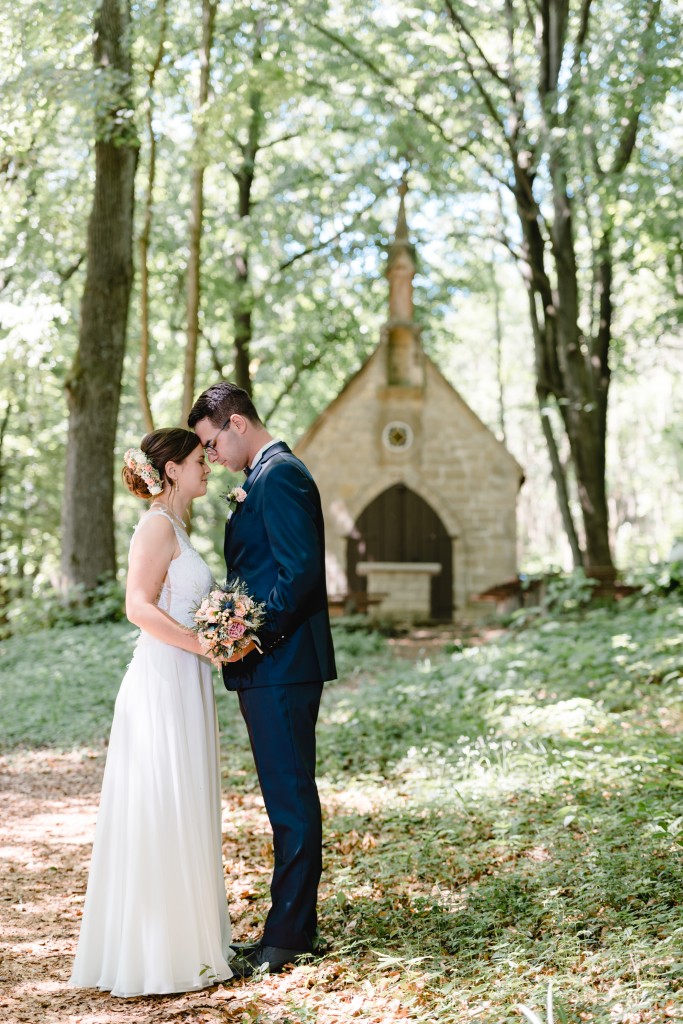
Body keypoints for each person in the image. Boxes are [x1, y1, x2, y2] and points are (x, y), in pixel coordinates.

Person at [70, 429, 234, 997]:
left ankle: (186, 937)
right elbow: (137, 607)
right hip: (162, 678)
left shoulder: (180, 527)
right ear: (170, 472)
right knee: (163, 799)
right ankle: (156, 949)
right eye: (197, 460)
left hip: (184, 677)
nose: (206, 467)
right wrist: (203, 645)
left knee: (184, 798)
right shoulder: (156, 526)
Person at [188, 382, 336, 977]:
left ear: (238, 424)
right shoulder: (265, 475)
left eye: (211, 442)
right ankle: (285, 928)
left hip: (282, 664)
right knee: (283, 797)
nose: (213, 455)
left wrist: (245, 633)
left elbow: (300, 577)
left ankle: (290, 938)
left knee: (292, 798)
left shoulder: (282, 476)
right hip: (270, 666)